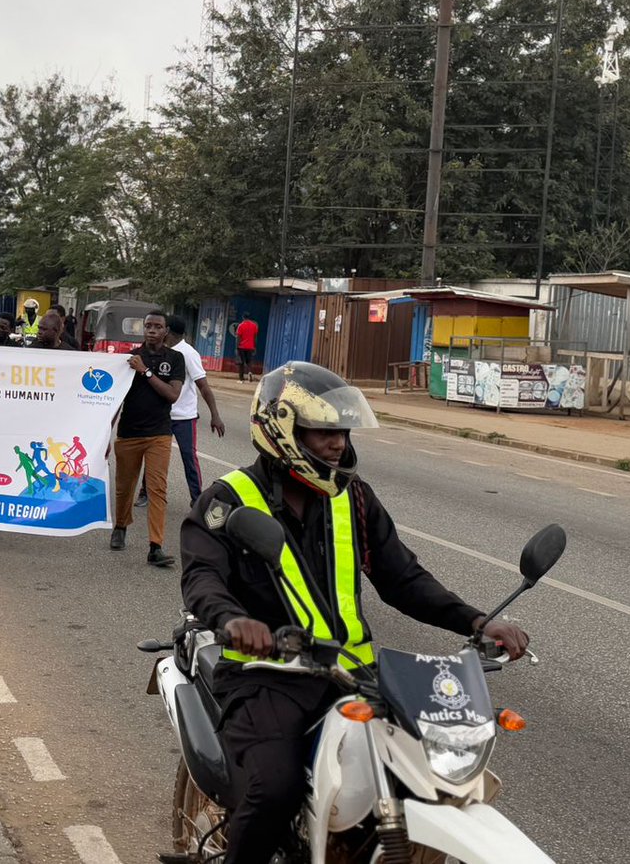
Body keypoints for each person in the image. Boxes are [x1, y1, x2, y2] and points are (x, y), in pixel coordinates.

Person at [180, 362, 529, 864]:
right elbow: (202, 576)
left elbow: (402, 578)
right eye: (324, 432)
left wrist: (476, 621)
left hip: (354, 674)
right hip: (267, 676)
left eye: (341, 432)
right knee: (273, 789)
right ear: (282, 429)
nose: (338, 444)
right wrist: (233, 621)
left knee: (416, 778)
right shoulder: (228, 500)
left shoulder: (353, 498)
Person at [110, 311, 185, 567]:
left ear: (166, 332)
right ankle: (120, 525)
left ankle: (156, 546)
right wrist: (102, 436)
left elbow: (173, 395)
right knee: (124, 487)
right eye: (148, 326)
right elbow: (115, 400)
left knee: (157, 490)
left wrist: (146, 372)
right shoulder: (129, 358)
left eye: (158, 326)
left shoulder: (175, 359)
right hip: (129, 433)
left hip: (159, 435)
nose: (152, 330)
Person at [136, 315, 225, 508]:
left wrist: (215, 415)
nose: (156, 331)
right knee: (153, 455)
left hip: (184, 416)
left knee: (188, 457)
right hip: (161, 415)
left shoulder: (187, 353)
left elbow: (203, 386)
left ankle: (197, 498)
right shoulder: (160, 350)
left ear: (168, 331)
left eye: (160, 328)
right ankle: (145, 492)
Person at [236, 311, 258, 382]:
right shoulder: (254, 326)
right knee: (249, 362)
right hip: (250, 347)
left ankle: (241, 379)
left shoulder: (241, 325)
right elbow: (255, 337)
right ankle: (250, 372)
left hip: (242, 347)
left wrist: (237, 346)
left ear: (243, 317)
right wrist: (254, 346)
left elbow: (238, 337)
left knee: (241, 363)